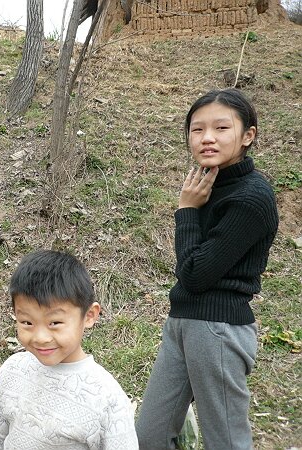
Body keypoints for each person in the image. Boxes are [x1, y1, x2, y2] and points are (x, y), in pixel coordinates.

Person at [136, 88, 279, 450]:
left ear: (248, 135)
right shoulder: (206, 184)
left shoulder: (251, 197)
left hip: (217, 329)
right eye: (197, 129)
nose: (207, 138)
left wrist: (186, 211)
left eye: (221, 128)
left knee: (226, 441)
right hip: (182, 322)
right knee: (149, 436)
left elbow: (196, 273)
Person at [0, 250, 138, 449]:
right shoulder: (12, 371)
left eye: (55, 322)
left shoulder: (107, 399)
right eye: (27, 322)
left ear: (89, 315)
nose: (40, 337)